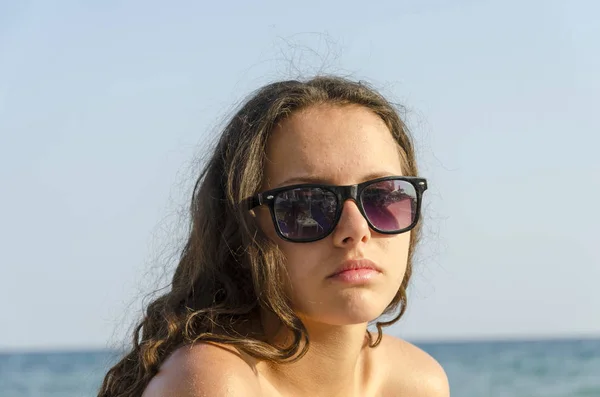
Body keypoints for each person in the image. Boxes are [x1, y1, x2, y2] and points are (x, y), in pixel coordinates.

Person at [99, 76, 450, 397]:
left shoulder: (417, 383)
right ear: (240, 231)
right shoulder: (215, 383)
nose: (356, 230)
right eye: (305, 205)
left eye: (383, 196)